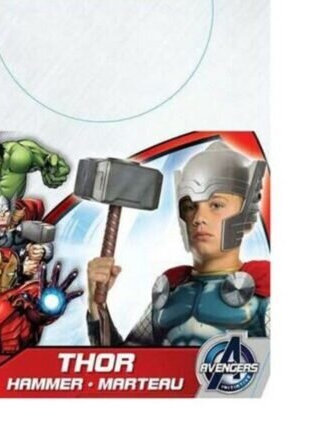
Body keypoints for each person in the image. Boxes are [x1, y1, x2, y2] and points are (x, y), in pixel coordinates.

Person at [86, 141, 270, 346]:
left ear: (247, 211)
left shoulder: (267, 290)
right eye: (190, 207)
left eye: (216, 205)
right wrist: (97, 305)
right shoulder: (171, 291)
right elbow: (129, 360)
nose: (199, 218)